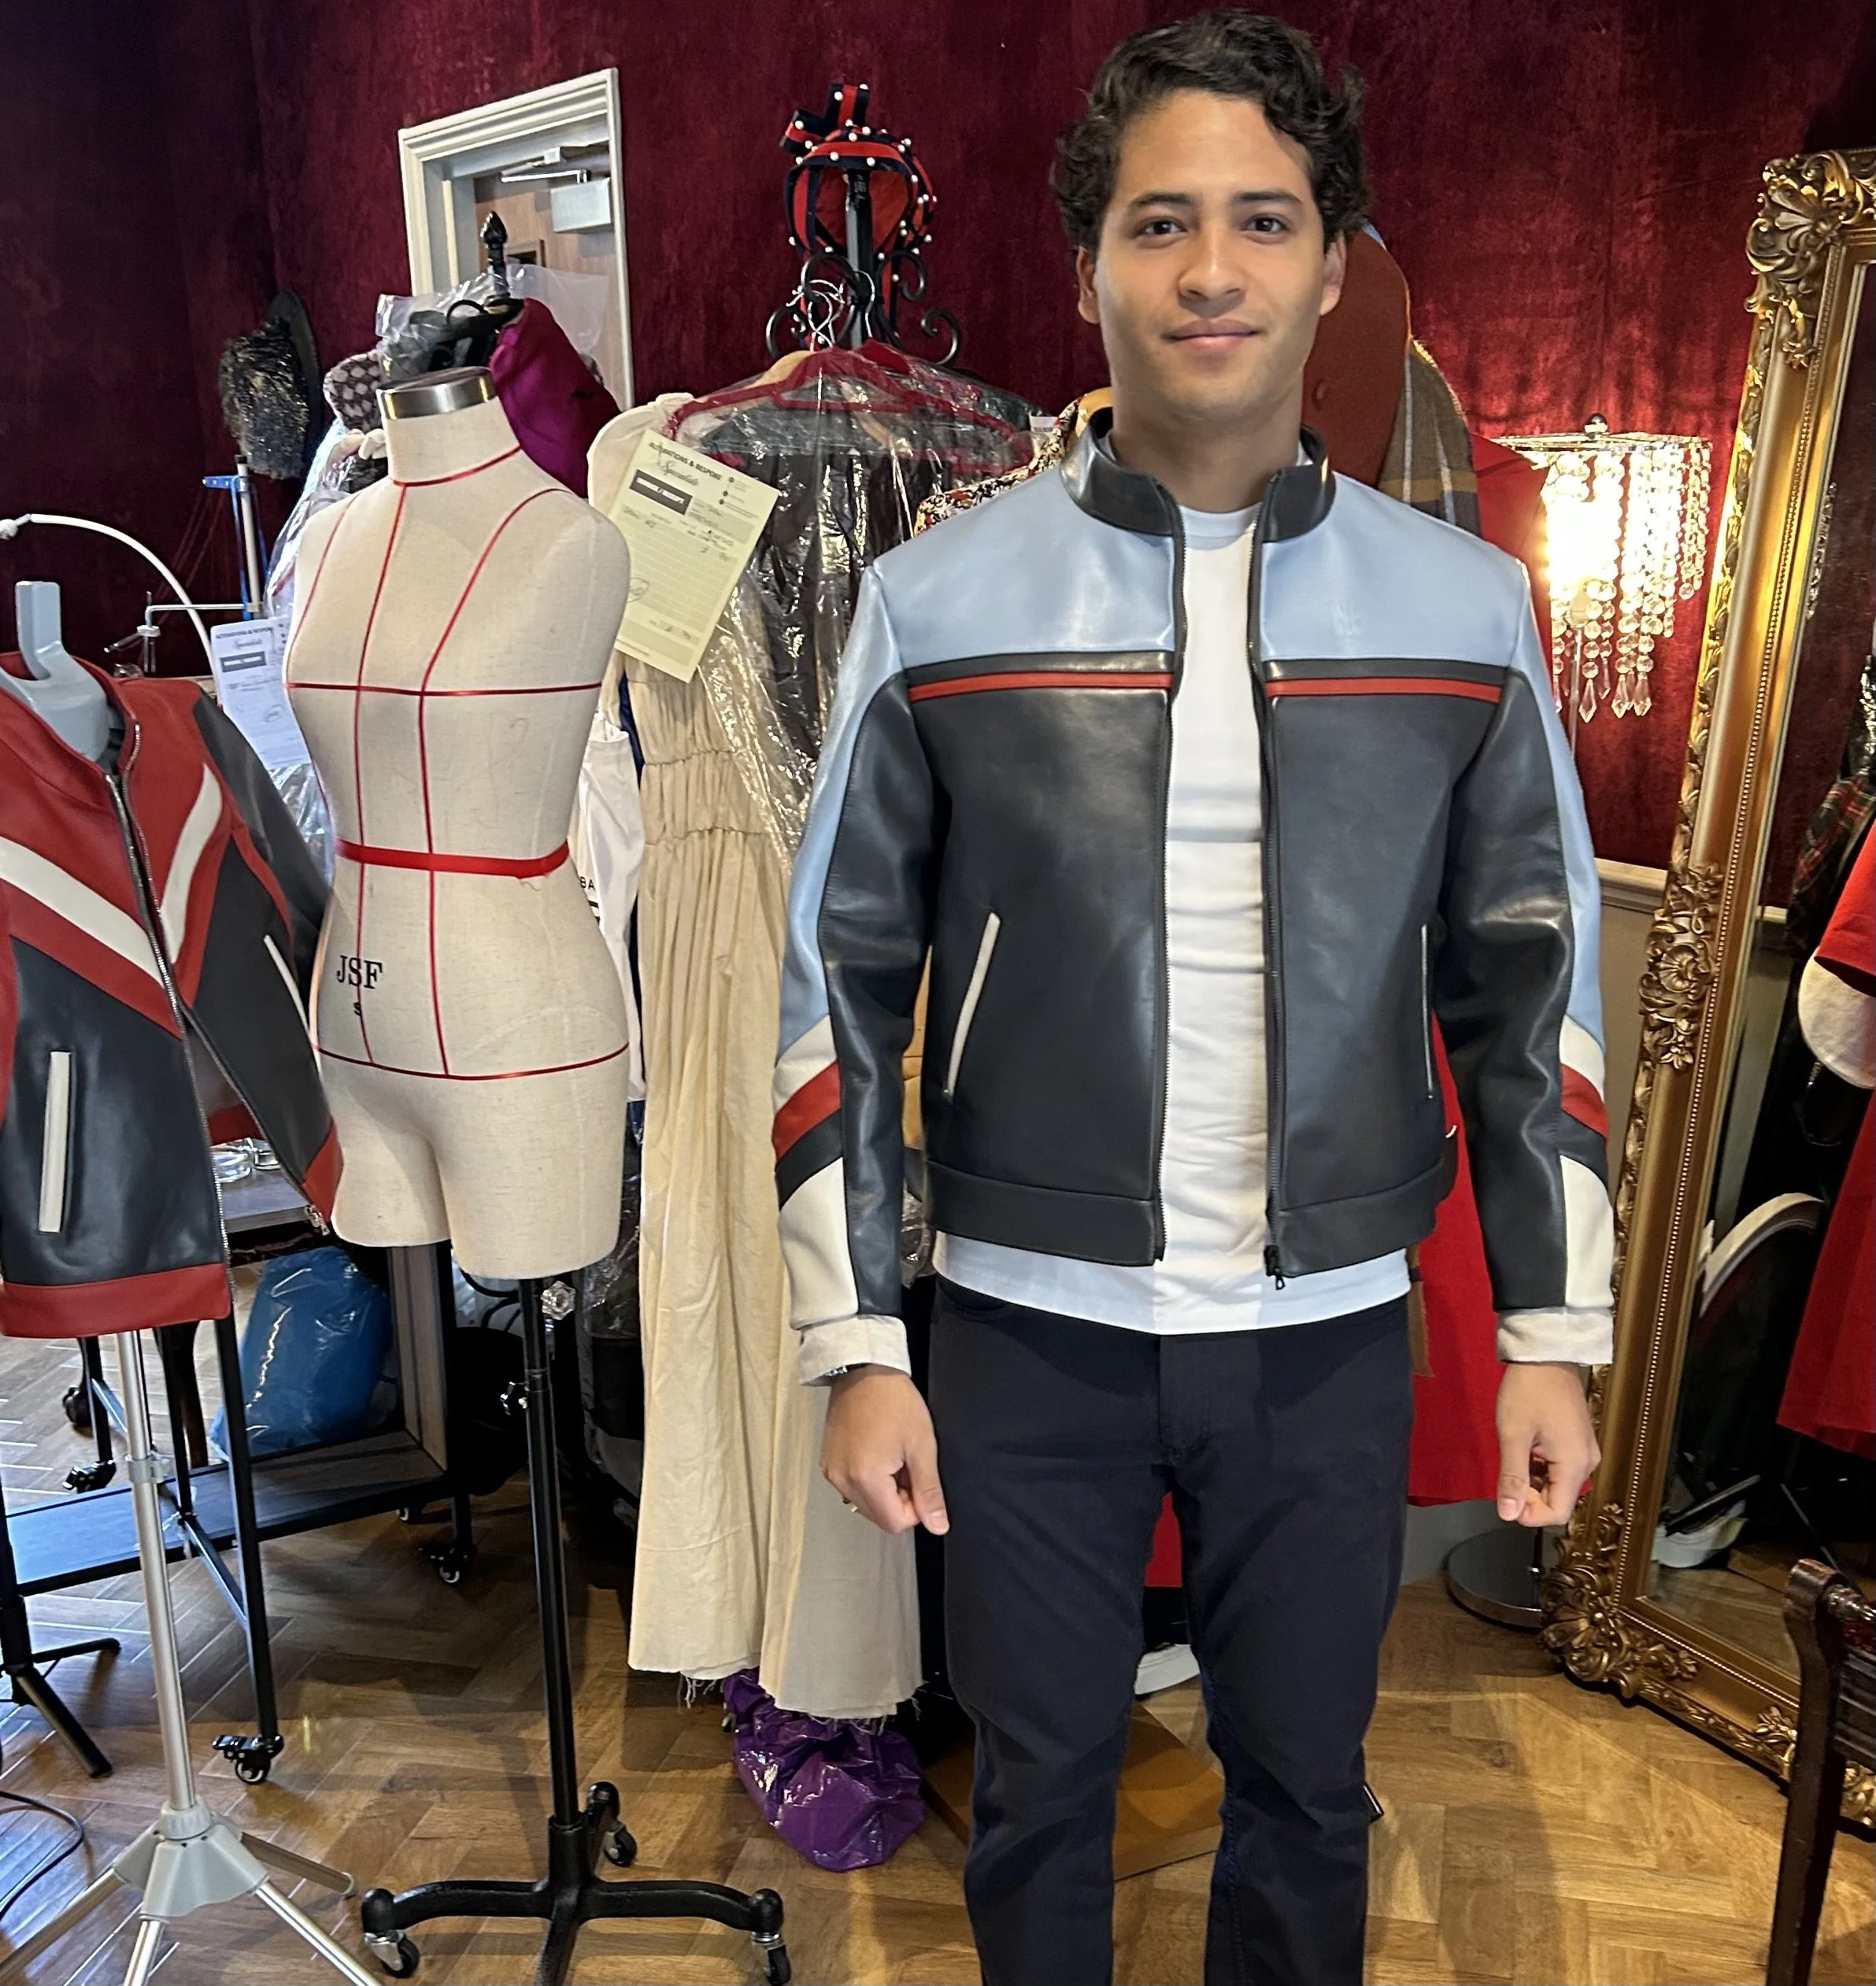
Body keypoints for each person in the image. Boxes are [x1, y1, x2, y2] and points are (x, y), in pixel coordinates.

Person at [771, 12, 1611, 1983]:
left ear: (1335, 262)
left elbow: (1536, 979)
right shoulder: (939, 596)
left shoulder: (1463, 608)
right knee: (1043, 1791)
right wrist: (857, 1337)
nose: (1213, 270)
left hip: (1325, 1331)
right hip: (1024, 1332)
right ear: (1092, 270)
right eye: (1162, 224)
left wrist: (1552, 1332)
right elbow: (832, 975)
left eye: (1262, 219)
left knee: (1310, 1789)